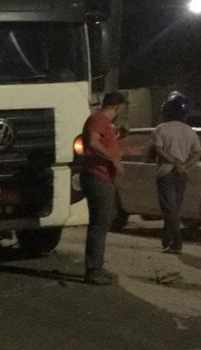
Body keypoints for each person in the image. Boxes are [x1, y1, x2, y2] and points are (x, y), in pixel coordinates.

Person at [80, 91, 128, 285]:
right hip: (98, 177)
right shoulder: (99, 119)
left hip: (102, 178)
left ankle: (97, 265)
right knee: (100, 224)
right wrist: (113, 160)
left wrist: (119, 136)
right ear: (117, 107)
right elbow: (93, 142)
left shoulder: (103, 123)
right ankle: (93, 269)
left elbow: (103, 140)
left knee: (105, 220)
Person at [152, 92, 201, 254]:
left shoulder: (161, 129)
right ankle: (167, 241)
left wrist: (174, 162)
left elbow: (158, 149)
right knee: (174, 209)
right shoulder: (190, 131)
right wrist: (184, 166)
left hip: (165, 172)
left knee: (169, 209)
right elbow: (197, 153)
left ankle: (176, 242)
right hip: (182, 174)